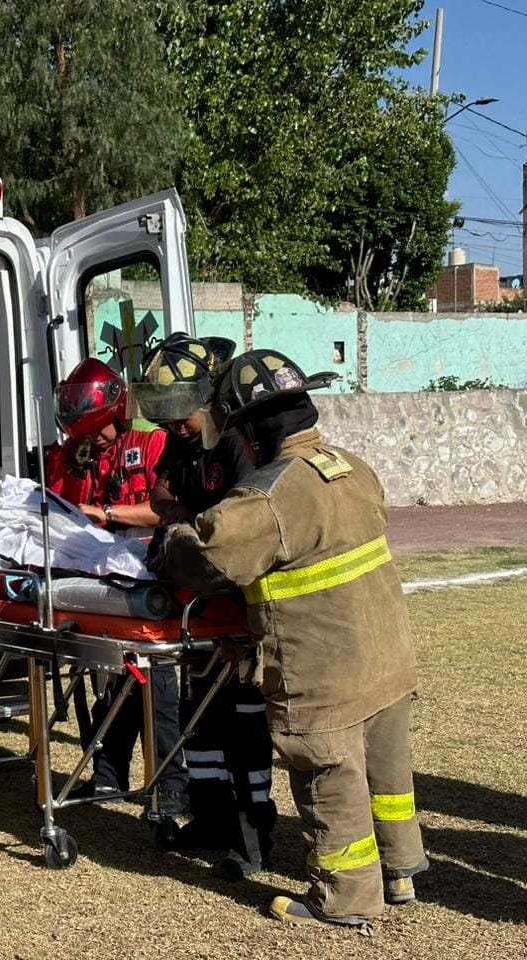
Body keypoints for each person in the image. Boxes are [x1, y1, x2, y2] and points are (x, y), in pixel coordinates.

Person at [152, 349, 427, 928]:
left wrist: (172, 536)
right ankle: (399, 871)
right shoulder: (351, 464)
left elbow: (208, 560)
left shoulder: (269, 495)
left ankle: (346, 899)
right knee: (387, 774)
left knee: (332, 777)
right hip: (388, 655)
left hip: (324, 670)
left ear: (250, 430)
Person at [130, 334, 277, 880]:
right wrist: (189, 516)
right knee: (201, 719)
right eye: (165, 419)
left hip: (237, 607)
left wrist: (189, 518)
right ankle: (212, 818)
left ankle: (252, 833)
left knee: (243, 724)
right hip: (197, 603)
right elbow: (163, 500)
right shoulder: (182, 442)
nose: (174, 428)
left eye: (182, 416)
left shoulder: (238, 442)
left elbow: (240, 527)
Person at [43, 358, 188, 811]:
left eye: (101, 432)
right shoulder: (78, 452)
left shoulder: (156, 443)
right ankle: (108, 776)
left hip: (156, 575)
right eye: (85, 435)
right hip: (106, 576)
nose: (94, 441)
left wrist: (107, 514)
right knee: (117, 681)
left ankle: (172, 788)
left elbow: (170, 509)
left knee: (156, 686)